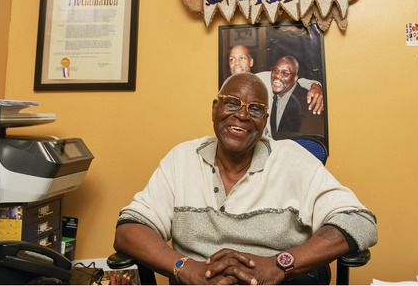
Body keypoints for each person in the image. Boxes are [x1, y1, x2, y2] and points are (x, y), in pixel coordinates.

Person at [114, 73, 377, 285]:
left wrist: (278, 265)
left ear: (264, 121)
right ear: (215, 108)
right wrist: (185, 268)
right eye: (231, 103)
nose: (241, 115)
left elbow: (359, 221)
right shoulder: (181, 159)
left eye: (255, 109)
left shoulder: (292, 160)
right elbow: (129, 230)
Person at [227, 45, 325, 116]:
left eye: (242, 58)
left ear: (251, 62)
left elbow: (291, 80)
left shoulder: (264, 79)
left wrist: (315, 85)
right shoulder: (225, 91)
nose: (236, 63)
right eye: (232, 59)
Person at [267, 56, 303, 138]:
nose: (278, 76)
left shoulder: (307, 100)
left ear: (295, 78)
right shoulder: (274, 98)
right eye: (275, 70)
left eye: (285, 73)